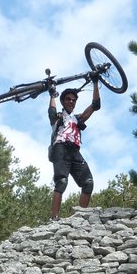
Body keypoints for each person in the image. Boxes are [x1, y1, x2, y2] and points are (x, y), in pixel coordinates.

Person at [47, 77, 100, 220]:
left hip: (75, 152)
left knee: (88, 183)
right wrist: (52, 94)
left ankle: (80, 217)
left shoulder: (78, 119)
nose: (71, 101)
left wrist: (95, 82)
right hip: (60, 149)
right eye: (68, 99)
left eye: (73, 100)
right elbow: (51, 112)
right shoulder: (58, 117)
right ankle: (55, 218)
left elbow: (95, 105)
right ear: (63, 101)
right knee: (62, 181)